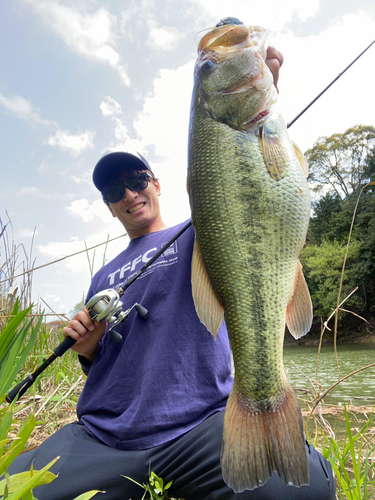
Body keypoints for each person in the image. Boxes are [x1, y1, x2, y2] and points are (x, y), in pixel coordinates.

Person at [8, 48, 336, 500]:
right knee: (11, 490)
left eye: (137, 179)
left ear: (158, 185)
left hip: (198, 426)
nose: (128, 193)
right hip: (103, 437)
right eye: (113, 189)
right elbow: (107, 366)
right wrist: (86, 350)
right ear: (108, 206)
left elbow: (252, 189)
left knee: (305, 493)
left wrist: (260, 102)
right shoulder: (102, 275)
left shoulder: (203, 228)